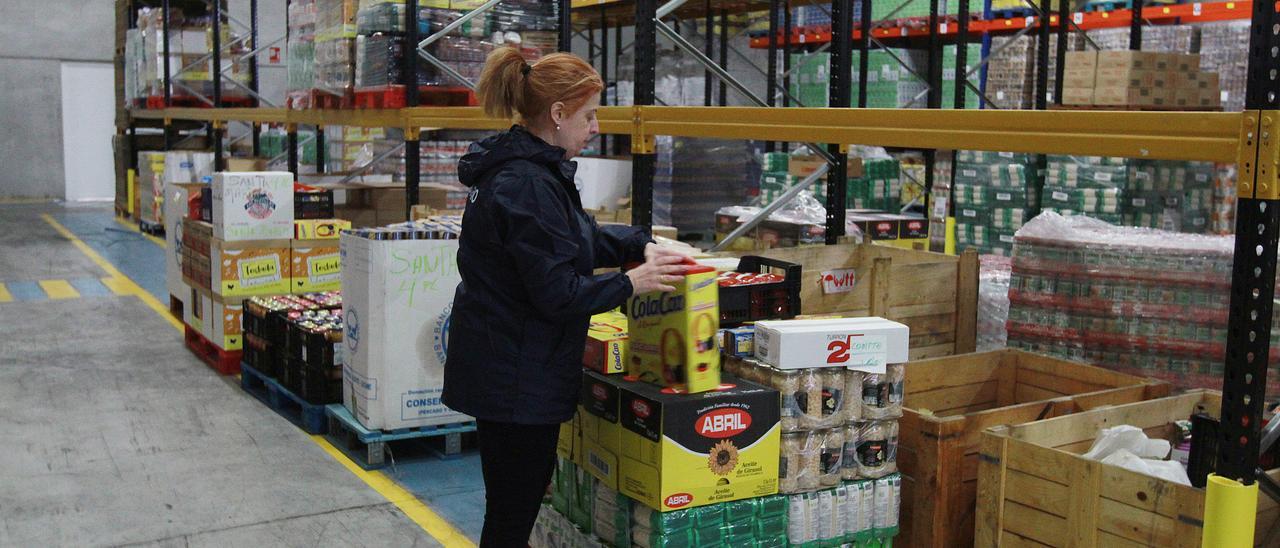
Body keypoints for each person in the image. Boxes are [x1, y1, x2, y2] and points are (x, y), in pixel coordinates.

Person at [441, 47, 691, 547]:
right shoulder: (526, 184)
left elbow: (577, 239)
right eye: (588, 114)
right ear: (557, 115)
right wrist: (632, 283)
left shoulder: (532, 171)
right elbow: (558, 293)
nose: (595, 126)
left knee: (513, 504)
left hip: (510, 364)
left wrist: (639, 242)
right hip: (515, 377)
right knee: (512, 514)